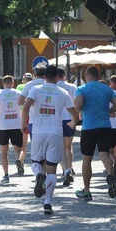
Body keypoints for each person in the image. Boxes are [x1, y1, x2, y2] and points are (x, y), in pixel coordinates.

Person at [21, 65, 77, 215]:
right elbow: (74, 113)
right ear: (57, 77)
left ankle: (39, 175)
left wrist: (23, 125)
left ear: (44, 76)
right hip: (56, 133)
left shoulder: (36, 89)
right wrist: (73, 123)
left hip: (38, 131)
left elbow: (25, 106)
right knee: (52, 167)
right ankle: (48, 202)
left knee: (36, 163)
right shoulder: (63, 92)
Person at [73, 66, 116, 201]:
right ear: (98, 76)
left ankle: (87, 190)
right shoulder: (106, 88)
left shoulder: (81, 89)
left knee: (87, 159)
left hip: (89, 127)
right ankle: (110, 175)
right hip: (105, 126)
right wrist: (108, 112)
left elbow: (79, 104)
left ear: (87, 75)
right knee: (105, 154)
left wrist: (78, 111)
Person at [0, 75, 25, 183]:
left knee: (4, 152)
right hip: (17, 124)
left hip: (4, 126)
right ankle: (19, 160)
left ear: (3, 84)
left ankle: (6, 175)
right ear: (13, 83)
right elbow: (25, 104)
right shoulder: (18, 93)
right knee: (19, 149)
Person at [57, 67, 78, 185]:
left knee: (61, 146)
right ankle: (69, 167)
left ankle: (64, 170)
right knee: (68, 146)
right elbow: (76, 103)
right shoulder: (72, 87)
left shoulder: (55, 87)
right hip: (70, 118)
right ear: (64, 75)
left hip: (58, 119)